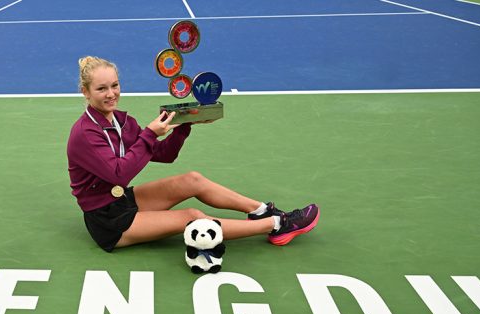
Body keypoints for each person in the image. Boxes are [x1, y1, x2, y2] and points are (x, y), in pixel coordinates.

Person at [66, 56, 319, 252]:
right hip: (107, 222)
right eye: (101, 89)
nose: (111, 94)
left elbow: (164, 155)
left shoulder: (122, 121)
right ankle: (277, 225)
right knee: (193, 217)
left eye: (115, 85)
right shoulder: (85, 133)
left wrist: (184, 125)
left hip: (121, 201)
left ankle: (262, 210)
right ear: (86, 92)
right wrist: (150, 134)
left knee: (192, 179)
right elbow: (119, 174)